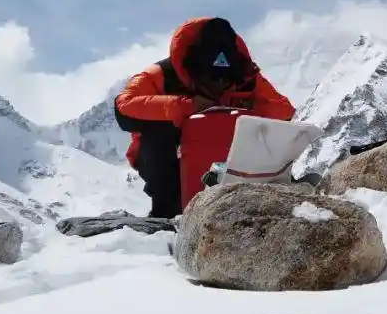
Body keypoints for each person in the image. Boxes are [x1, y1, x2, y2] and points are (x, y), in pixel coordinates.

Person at [113, 16, 296, 218]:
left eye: (225, 79)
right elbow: (124, 107)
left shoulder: (246, 76)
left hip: (229, 160)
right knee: (159, 126)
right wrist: (183, 106)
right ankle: (167, 211)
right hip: (169, 163)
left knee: (260, 129)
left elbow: (284, 111)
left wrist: (251, 108)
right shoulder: (160, 76)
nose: (218, 84)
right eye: (210, 78)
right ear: (191, 69)